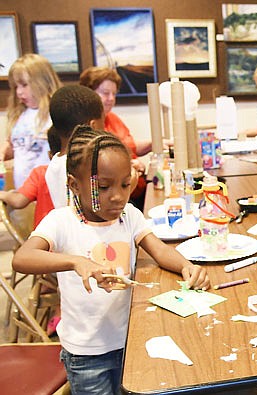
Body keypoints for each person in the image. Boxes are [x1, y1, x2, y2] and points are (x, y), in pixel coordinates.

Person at [13, 125, 210, 394]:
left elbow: (160, 251)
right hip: (86, 354)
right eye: (103, 187)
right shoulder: (61, 221)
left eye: (125, 184)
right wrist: (75, 262)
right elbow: (22, 258)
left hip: (131, 342)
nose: (117, 196)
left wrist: (187, 266)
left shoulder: (129, 215)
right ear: (74, 184)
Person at [79, 66, 151, 208]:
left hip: (136, 190)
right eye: (105, 93)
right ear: (89, 93)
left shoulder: (113, 118)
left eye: (114, 93)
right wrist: (129, 167)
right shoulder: (86, 127)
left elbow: (130, 146)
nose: (111, 99)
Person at [1, 53, 61, 188]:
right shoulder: (20, 114)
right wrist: (4, 150)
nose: (19, 92)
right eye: (16, 87)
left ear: (43, 81)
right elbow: (16, 145)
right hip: (23, 191)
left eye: (24, 85)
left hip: (48, 190)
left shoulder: (56, 113)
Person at [45, 85, 106, 209]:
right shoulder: (86, 164)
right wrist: (129, 184)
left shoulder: (53, 165)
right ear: (93, 126)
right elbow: (97, 206)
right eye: (103, 123)